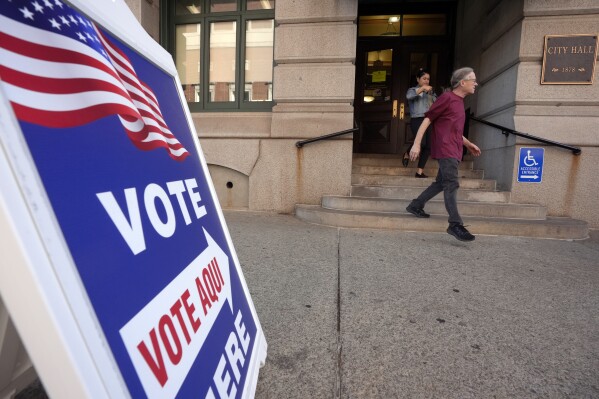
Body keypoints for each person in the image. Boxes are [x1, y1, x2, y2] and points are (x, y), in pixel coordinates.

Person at [405, 67, 481, 242]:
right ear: (462, 82)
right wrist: (416, 144)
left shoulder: (459, 103)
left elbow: (454, 131)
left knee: (441, 182)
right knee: (451, 183)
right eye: (473, 80)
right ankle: (455, 224)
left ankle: (416, 205)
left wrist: (468, 144)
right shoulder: (447, 98)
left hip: (454, 148)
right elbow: (428, 118)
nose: (475, 83)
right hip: (446, 149)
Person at [405, 68, 436, 178]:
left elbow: (437, 105)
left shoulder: (431, 93)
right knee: (421, 143)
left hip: (429, 121)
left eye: (428, 79)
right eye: (424, 79)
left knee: (428, 146)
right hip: (417, 119)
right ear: (418, 79)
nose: (426, 81)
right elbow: (409, 97)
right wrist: (422, 88)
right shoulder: (412, 90)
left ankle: (419, 171)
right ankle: (407, 153)